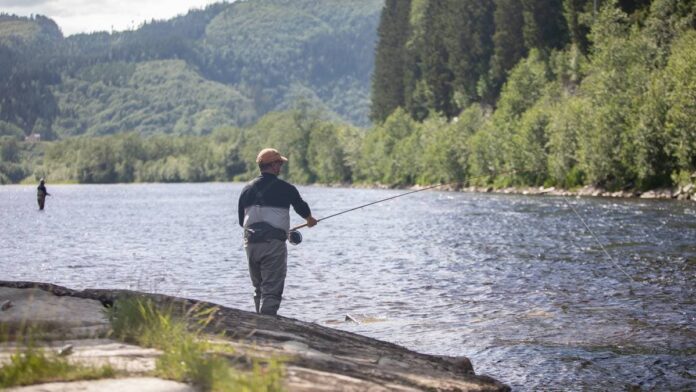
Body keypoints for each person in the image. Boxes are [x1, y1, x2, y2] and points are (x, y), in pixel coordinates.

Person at [237, 148, 317, 315]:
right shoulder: (286, 188)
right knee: (272, 289)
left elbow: (240, 221)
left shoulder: (246, 189)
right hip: (272, 244)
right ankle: (268, 327)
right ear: (272, 165)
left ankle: (259, 322)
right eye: (279, 163)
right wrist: (309, 220)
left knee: (258, 288)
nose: (281, 166)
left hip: (250, 243)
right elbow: (302, 208)